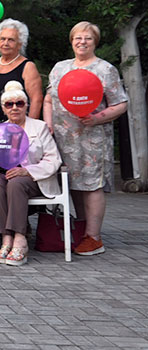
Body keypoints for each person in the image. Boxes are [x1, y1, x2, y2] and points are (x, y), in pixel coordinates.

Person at [44, 22, 128, 256]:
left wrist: (98, 117)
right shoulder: (60, 68)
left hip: (92, 139)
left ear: (95, 42)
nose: (82, 42)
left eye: (88, 38)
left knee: (92, 186)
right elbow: (49, 99)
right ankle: (81, 230)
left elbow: (121, 103)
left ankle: (94, 237)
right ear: (71, 41)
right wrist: (48, 124)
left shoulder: (105, 69)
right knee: (73, 185)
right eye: (78, 38)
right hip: (63, 138)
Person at [0, 81, 61, 266]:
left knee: (16, 183)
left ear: (26, 105)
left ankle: (20, 239)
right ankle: (6, 238)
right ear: (4, 108)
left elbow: (54, 160)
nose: (14, 108)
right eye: (9, 104)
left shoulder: (39, 127)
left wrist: (27, 171)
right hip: (6, 174)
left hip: (34, 178)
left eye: (19, 103)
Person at [0, 19, 43, 137]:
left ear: (20, 44)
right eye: (2, 39)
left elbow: (36, 100)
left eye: (11, 40)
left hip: (16, 131)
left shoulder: (28, 67)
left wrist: (29, 132)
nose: (6, 43)